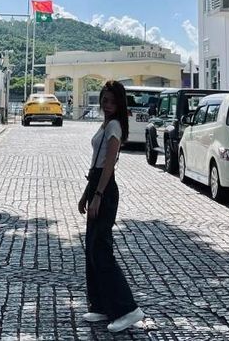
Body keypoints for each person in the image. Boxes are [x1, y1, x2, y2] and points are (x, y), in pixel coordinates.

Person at [78, 81, 144, 334]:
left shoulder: (115, 125)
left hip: (105, 189)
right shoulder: (106, 123)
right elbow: (96, 163)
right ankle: (101, 304)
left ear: (119, 103)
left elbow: (108, 165)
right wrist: (87, 193)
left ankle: (127, 309)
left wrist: (97, 195)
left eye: (111, 102)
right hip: (96, 184)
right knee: (92, 248)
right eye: (104, 100)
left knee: (101, 249)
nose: (106, 105)